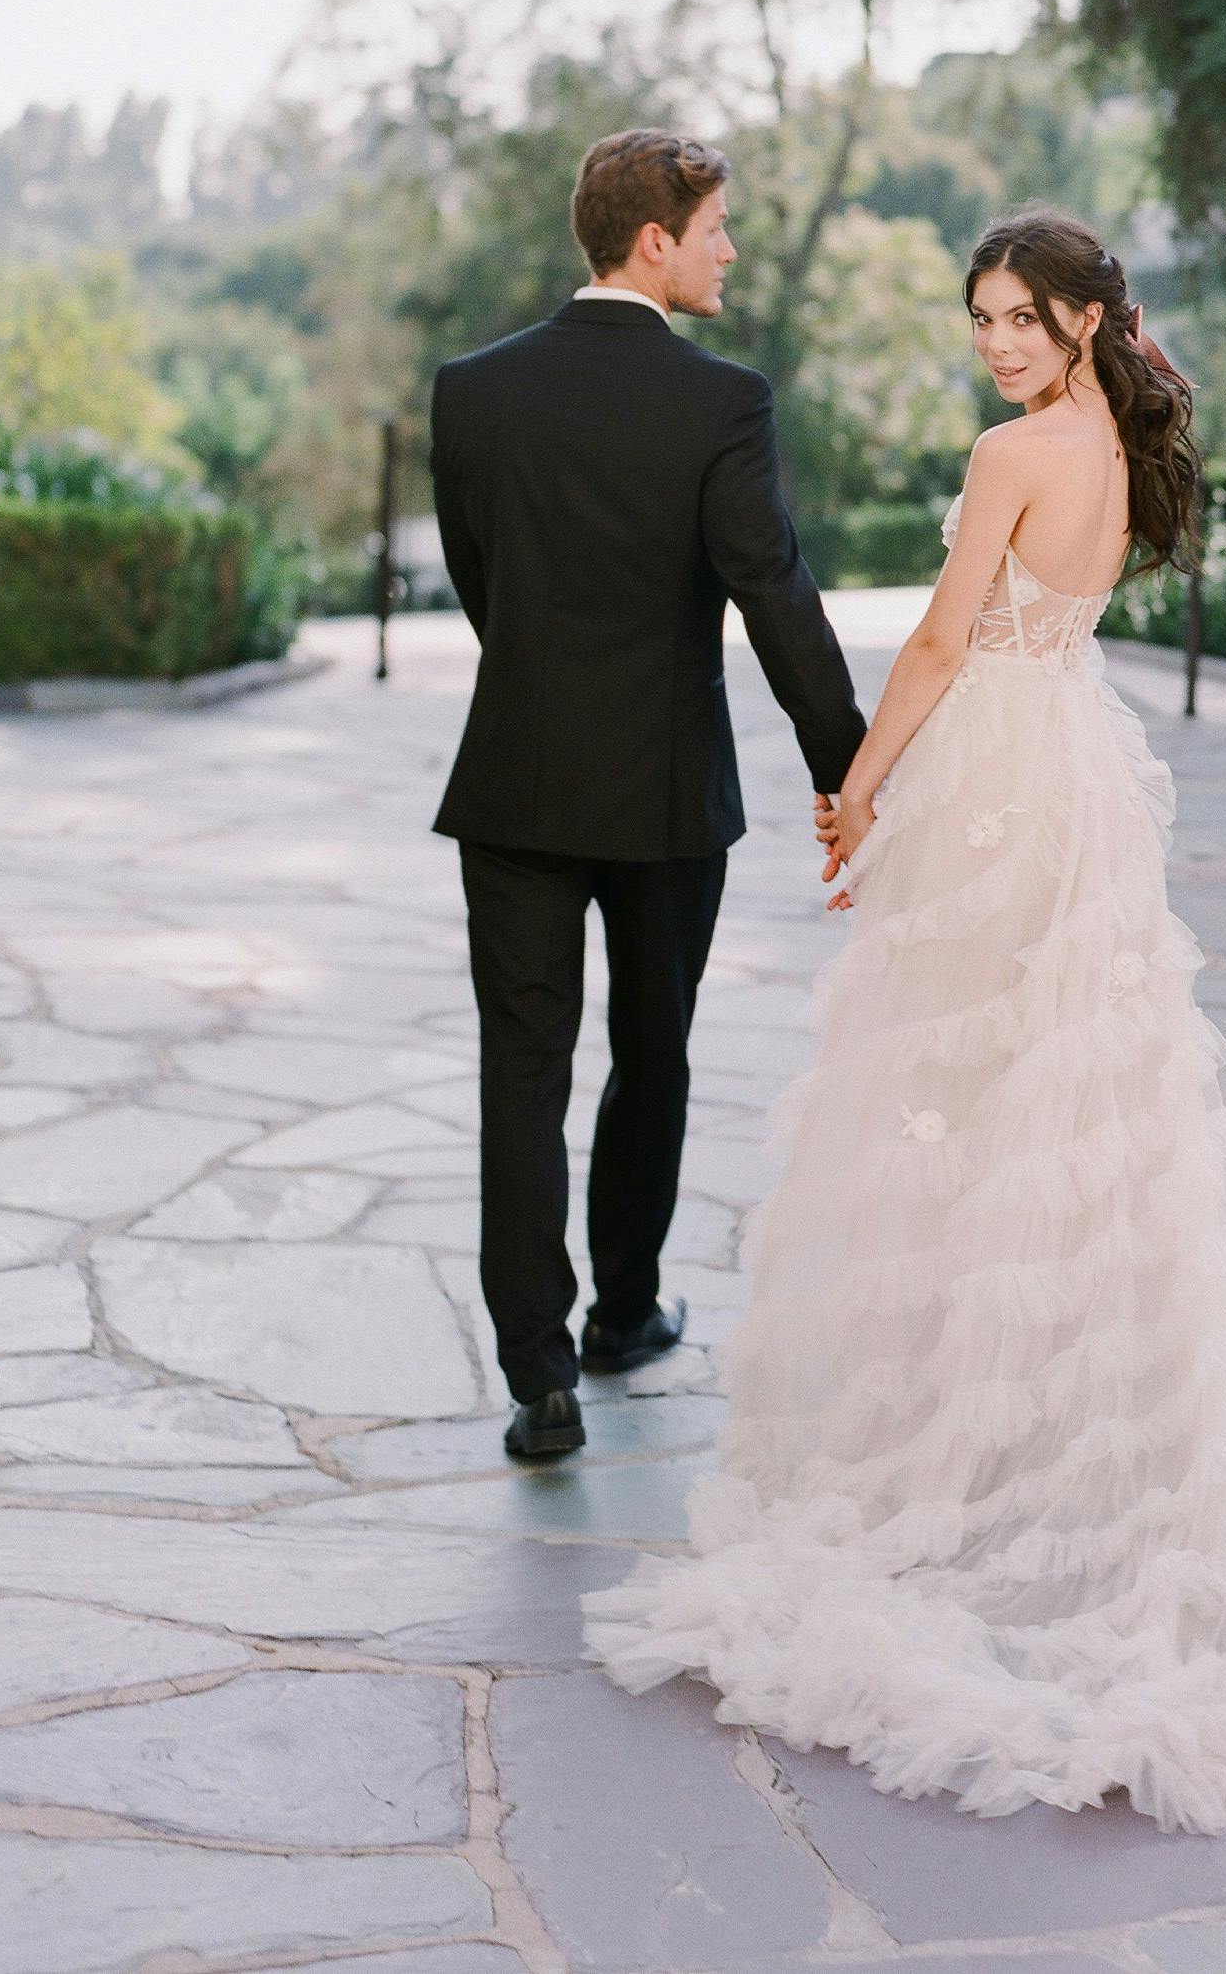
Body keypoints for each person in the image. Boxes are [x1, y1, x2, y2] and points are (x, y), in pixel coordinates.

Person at [583, 206, 1226, 1834]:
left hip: (994, 779)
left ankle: (958, 1449)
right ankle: (1043, 1419)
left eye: (1016, 316)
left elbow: (937, 639)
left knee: (957, 1098)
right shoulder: (1126, 446)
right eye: (979, 317)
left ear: (1082, 318)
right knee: (1066, 1101)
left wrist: (856, 790)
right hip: (1079, 775)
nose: (992, 343)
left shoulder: (1013, 454)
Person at [430, 128, 866, 1463]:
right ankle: (623, 1315)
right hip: (669, 793)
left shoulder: (473, 390)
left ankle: (539, 1375)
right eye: (716, 227)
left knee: (522, 1070)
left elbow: (481, 579)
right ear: (655, 239)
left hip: (515, 781)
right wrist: (848, 765)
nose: (730, 249)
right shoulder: (720, 403)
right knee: (653, 1049)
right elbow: (773, 591)